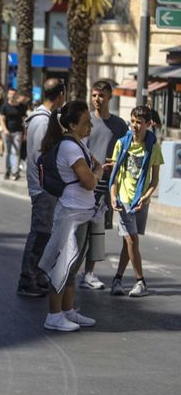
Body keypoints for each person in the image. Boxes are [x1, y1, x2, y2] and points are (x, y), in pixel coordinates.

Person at [38, 101, 110, 331]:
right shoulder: (70, 147)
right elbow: (89, 180)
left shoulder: (79, 144)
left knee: (73, 265)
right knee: (63, 265)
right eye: (86, 122)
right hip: (71, 214)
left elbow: (95, 167)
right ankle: (54, 315)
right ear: (71, 124)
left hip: (82, 213)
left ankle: (67, 311)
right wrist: (97, 173)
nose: (90, 125)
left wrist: (95, 171)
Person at [17, 78, 66, 297]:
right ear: (61, 95)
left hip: (42, 185)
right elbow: (42, 156)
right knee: (40, 232)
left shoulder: (42, 119)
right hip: (43, 186)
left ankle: (37, 274)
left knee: (44, 233)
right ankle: (27, 279)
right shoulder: (44, 122)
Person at [109, 106, 163, 298]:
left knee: (128, 243)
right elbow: (114, 175)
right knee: (132, 239)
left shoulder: (153, 148)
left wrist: (146, 197)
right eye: (132, 121)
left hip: (141, 201)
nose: (135, 126)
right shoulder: (122, 144)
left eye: (139, 122)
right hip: (124, 200)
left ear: (149, 124)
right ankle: (141, 282)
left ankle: (117, 279)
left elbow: (155, 179)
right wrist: (113, 195)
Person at [78, 80, 127, 290]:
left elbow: (126, 151)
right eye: (94, 95)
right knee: (79, 230)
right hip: (84, 183)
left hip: (107, 187)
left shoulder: (119, 125)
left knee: (97, 232)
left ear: (110, 98)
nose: (97, 99)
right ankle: (70, 270)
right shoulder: (84, 119)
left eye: (101, 96)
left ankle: (89, 273)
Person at [0, 88, 26, 180]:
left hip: (18, 132)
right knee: (8, 152)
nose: (12, 95)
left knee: (16, 152)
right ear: (8, 95)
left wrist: (25, 133)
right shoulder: (5, 106)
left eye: (14, 94)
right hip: (7, 132)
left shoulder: (21, 106)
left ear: (17, 95)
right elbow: (2, 120)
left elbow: (24, 120)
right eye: (10, 94)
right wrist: (5, 130)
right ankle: (7, 171)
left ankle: (15, 172)